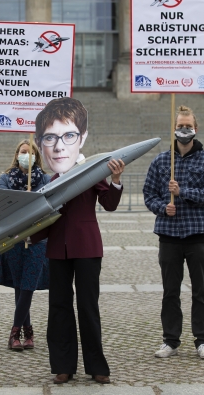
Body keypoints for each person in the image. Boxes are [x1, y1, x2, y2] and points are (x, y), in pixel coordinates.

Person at [31, 97, 125, 385]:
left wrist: (115, 180)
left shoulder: (89, 171)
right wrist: (27, 232)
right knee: (59, 307)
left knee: (88, 306)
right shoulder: (48, 181)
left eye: (68, 135)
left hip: (87, 248)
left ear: (80, 138)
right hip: (58, 249)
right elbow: (40, 220)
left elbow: (108, 204)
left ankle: (97, 366)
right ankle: (63, 365)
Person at [143, 105, 204, 360]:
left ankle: (202, 340)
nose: (184, 130)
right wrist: (163, 208)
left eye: (188, 126)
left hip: (198, 234)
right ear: (174, 129)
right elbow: (149, 195)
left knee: (200, 290)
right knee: (170, 291)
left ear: (195, 129)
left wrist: (182, 191)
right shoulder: (161, 161)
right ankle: (170, 340)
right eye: (180, 126)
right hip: (169, 234)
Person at [0, 139, 51, 351]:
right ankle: (27, 331)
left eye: (30, 152)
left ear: (36, 156)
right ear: (17, 154)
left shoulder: (45, 178)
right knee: (19, 285)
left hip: (37, 240)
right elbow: (1, 202)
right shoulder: (6, 178)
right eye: (23, 151)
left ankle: (15, 331)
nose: (26, 155)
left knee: (28, 284)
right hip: (13, 239)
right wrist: (21, 200)